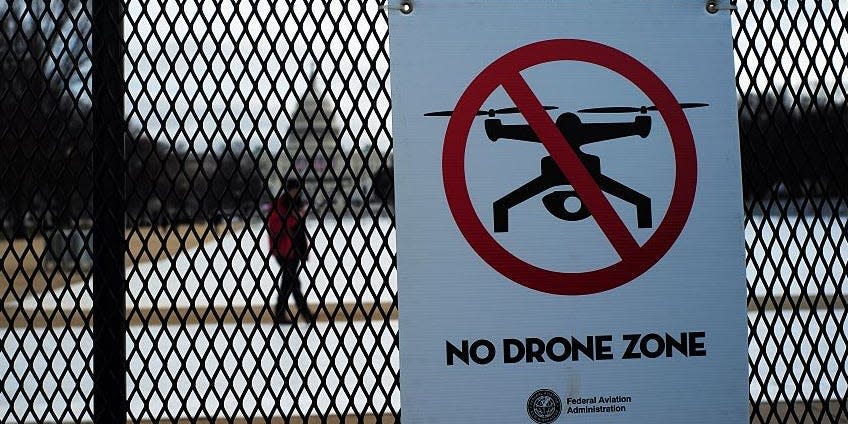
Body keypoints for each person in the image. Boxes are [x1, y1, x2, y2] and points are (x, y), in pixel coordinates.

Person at [268, 179, 314, 324]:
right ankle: (305, 314)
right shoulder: (281, 204)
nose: (295, 193)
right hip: (283, 250)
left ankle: (282, 313)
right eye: (293, 190)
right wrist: (294, 219)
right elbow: (275, 225)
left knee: (289, 283)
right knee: (293, 283)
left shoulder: (297, 204)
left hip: (294, 249)